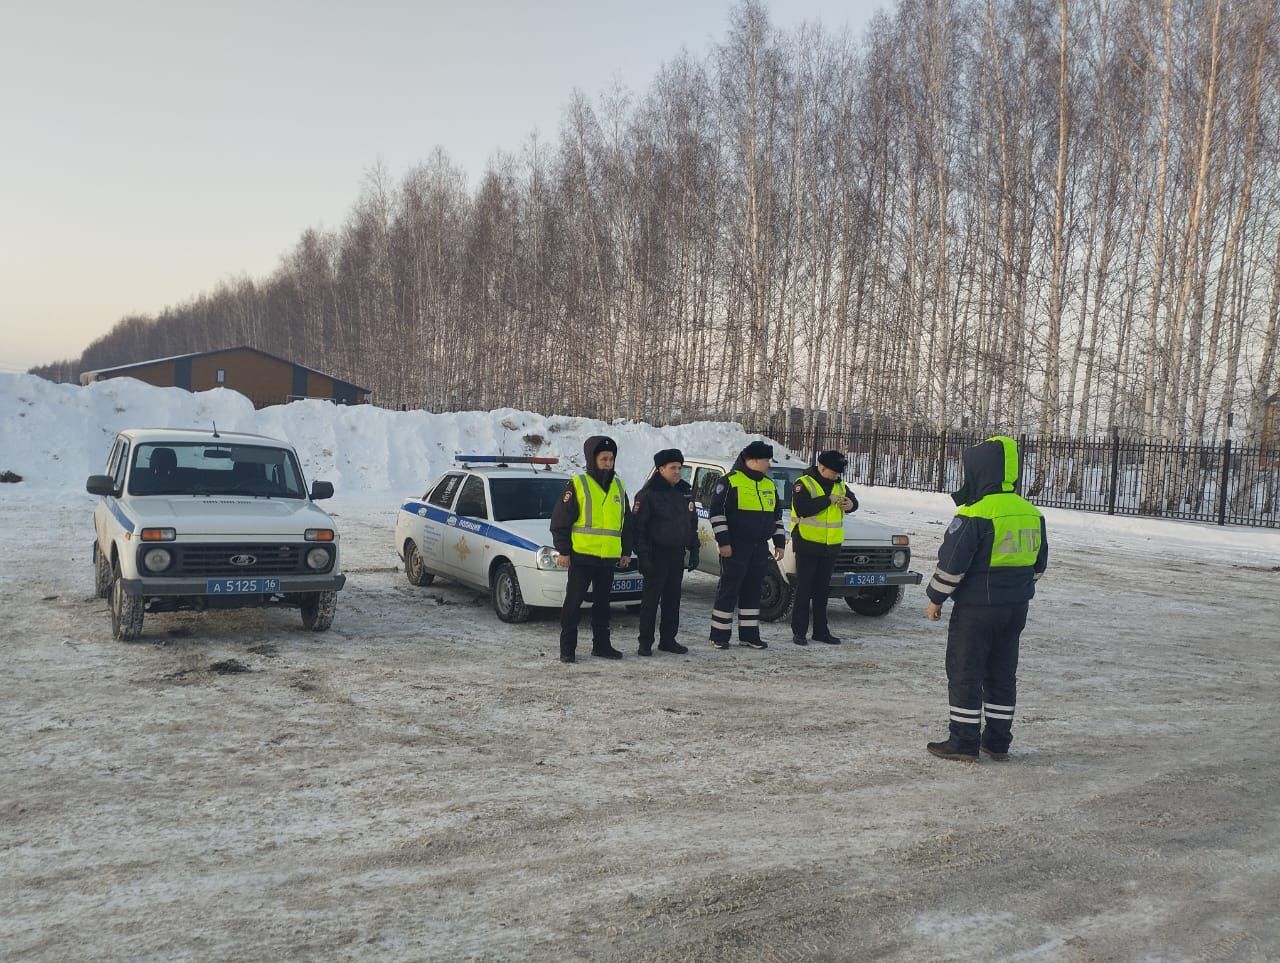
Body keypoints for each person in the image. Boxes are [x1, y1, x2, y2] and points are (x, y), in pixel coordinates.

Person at [924, 435, 1048, 762]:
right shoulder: (1031, 513)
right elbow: (1038, 565)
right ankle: (997, 741)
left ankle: (963, 742)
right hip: (1015, 608)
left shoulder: (977, 512)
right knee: (1002, 674)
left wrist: (936, 598)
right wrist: (1016, 587)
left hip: (977, 610)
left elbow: (953, 563)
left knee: (966, 672)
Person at [551, 435, 634, 663]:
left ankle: (602, 645)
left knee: (602, 604)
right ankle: (567, 648)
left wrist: (626, 551)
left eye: (611, 459)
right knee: (574, 603)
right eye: (604, 459)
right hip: (582, 557)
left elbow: (626, 522)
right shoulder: (579, 484)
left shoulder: (619, 486)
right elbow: (560, 521)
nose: (608, 463)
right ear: (592, 459)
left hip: (607, 558)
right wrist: (564, 551)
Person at [708, 440, 786, 650]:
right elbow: (716, 514)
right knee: (729, 590)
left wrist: (779, 543)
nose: (768, 464)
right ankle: (719, 635)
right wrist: (724, 543)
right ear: (751, 460)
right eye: (765, 460)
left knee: (753, 591)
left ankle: (750, 635)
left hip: (759, 547)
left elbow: (776, 517)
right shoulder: (730, 482)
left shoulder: (769, 484)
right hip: (735, 546)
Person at [633, 448, 700, 656]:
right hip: (655, 554)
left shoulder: (684, 492)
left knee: (673, 599)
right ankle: (645, 642)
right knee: (651, 601)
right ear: (661, 469)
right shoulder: (648, 494)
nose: (677, 472)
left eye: (680, 468)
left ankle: (668, 640)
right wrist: (643, 556)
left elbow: (691, 523)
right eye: (673, 468)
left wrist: (694, 547)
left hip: (676, 554)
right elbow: (638, 529)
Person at [790, 449, 857, 645]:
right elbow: (803, 509)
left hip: (830, 547)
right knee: (804, 590)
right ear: (821, 467)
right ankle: (799, 631)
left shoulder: (840, 485)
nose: (836, 476)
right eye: (833, 472)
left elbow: (855, 503)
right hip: (807, 544)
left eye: (838, 473)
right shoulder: (803, 483)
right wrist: (828, 500)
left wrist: (850, 504)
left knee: (822, 591)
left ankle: (821, 631)